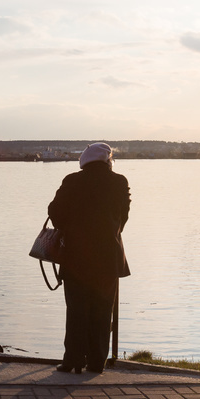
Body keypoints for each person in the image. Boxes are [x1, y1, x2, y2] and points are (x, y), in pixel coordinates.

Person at [47, 142, 130, 373]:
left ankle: (73, 359)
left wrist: (71, 229)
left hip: (76, 257)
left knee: (76, 310)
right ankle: (97, 361)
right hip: (108, 258)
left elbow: (55, 213)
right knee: (103, 310)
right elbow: (123, 217)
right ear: (107, 160)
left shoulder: (72, 181)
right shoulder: (119, 182)